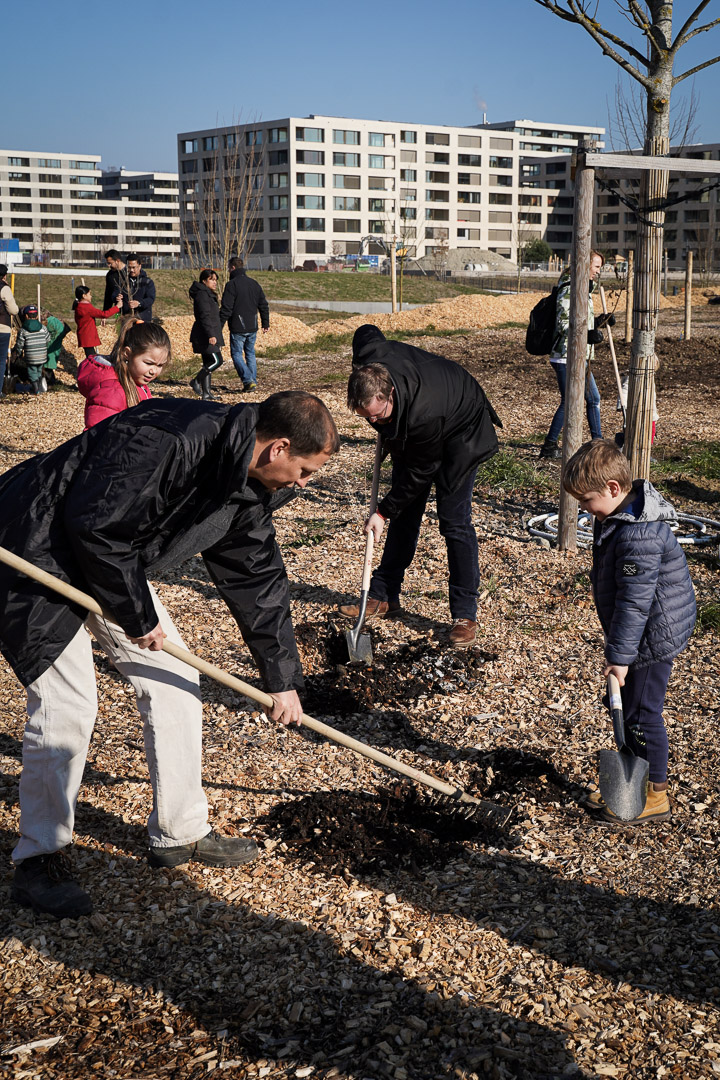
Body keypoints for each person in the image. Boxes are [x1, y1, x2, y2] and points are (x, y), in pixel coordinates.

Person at [0, 389, 340, 918]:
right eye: (303, 471)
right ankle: (39, 858)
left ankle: (179, 830)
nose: (302, 484)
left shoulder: (246, 482)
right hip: (37, 547)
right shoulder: (170, 440)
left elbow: (255, 575)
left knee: (175, 683)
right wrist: (139, 618)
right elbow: (96, 523)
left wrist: (280, 676)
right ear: (277, 447)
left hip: (111, 561)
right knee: (68, 708)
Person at [339, 325, 501, 648]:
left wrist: (382, 512)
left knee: (454, 521)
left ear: (390, 395)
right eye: (367, 419)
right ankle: (384, 595)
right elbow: (367, 334)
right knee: (405, 513)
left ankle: (464, 614)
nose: (374, 424)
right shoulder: (369, 364)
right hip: (417, 427)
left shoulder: (424, 413)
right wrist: (386, 428)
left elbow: (419, 473)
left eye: (379, 418)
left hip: (461, 430)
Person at [563, 439, 696, 825]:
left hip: (655, 633)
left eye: (586, 500)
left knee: (642, 714)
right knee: (626, 707)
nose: (585, 509)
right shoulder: (617, 518)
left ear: (614, 489)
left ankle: (654, 795)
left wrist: (620, 659)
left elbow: (634, 604)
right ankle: (631, 781)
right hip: (640, 630)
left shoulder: (639, 534)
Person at [539, 250, 612, 460]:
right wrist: (586, 335)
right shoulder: (570, 288)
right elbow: (563, 324)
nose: (598, 272)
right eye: (596, 267)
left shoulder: (583, 289)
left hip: (579, 354)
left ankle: (594, 442)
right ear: (585, 265)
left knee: (588, 398)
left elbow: (582, 321)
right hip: (565, 354)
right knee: (572, 400)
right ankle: (552, 445)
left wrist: (601, 321)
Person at [77, 317, 170, 428]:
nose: (153, 371)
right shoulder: (111, 391)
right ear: (127, 353)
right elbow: (96, 435)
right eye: (148, 363)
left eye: (160, 365)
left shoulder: (137, 381)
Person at [219, 255, 270, 391]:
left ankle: (248, 381)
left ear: (233, 267)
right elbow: (263, 304)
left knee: (236, 354)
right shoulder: (254, 283)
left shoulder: (232, 285)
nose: (229, 270)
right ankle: (252, 381)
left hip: (238, 326)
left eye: (229, 268)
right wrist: (265, 323)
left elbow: (226, 308)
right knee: (250, 353)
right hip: (253, 326)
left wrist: (219, 326)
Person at [189, 268, 224, 400]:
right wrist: (211, 334)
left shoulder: (207, 293)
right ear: (204, 281)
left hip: (208, 332)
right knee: (217, 360)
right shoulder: (202, 295)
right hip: (205, 334)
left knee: (208, 362)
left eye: (215, 280)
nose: (215, 282)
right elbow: (204, 316)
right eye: (211, 280)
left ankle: (206, 393)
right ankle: (196, 381)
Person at [73, 284, 122, 357]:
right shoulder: (87, 307)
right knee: (91, 356)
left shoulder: (79, 306)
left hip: (83, 335)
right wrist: (117, 307)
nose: (91, 296)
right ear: (84, 296)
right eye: (89, 294)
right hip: (88, 336)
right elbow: (104, 314)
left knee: (90, 354)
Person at [15, 304, 50, 394]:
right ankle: (38, 386)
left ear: (26, 316)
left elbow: (20, 344)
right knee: (38, 369)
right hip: (42, 355)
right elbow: (48, 339)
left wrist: (18, 352)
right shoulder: (43, 328)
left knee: (32, 371)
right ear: (37, 316)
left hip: (31, 355)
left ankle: (35, 389)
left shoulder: (23, 330)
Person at [0, 264, 19, 398]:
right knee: (1, 361)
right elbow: (13, 310)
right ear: (5, 275)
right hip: (2, 327)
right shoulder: (4, 288)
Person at [120, 254, 156, 323]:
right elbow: (115, 292)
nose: (131, 270)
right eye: (129, 267)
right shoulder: (123, 282)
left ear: (139, 266)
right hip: (127, 319)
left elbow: (150, 299)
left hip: (142, 319)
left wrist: (139, 303)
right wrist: (117, 297)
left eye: (134, 267)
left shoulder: (147, 282)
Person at [42, 309, 71, 385]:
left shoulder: (50, 322)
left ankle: (50, 382)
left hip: (53, 343)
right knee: (49, 363)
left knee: (48, 364)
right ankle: (50, 381)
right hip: (55, 341)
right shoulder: (52, 321)